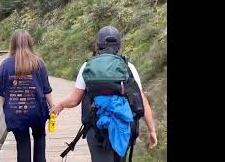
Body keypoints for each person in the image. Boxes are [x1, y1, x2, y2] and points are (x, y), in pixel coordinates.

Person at [51, 26, 157, 162]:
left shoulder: (88, 66)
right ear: (119, 44)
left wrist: (60, 105)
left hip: (96, 126)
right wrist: (152, 129)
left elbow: (74, 100)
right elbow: (142, 101)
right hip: (123, 126)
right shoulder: (128, 67)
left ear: (98, 44)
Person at [0, 29, 54, 162]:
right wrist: (53, 107)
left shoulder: (5, 65)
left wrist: (6, 111)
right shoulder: (38, 63)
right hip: (37, 111)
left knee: (22, 146)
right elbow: (46, 90)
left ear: (13, 44)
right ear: (30, 43)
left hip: (15, 113)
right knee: (39, 140)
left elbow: (2, 93)